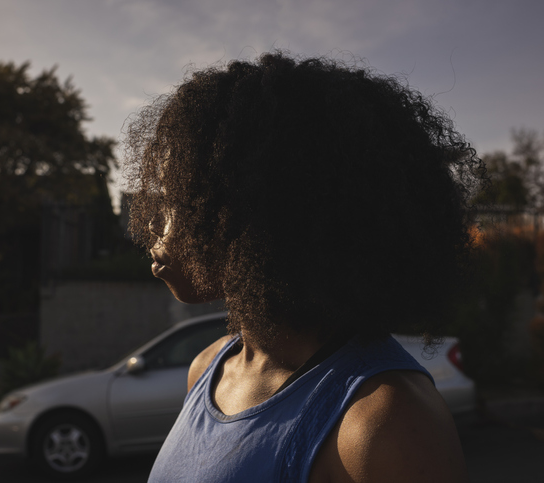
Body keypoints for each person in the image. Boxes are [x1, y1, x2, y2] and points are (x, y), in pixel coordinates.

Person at [123, 51, 480, 482]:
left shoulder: (382, 422)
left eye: (178, 197)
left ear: (253, 214)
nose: (151, 220)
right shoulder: (208, 368)